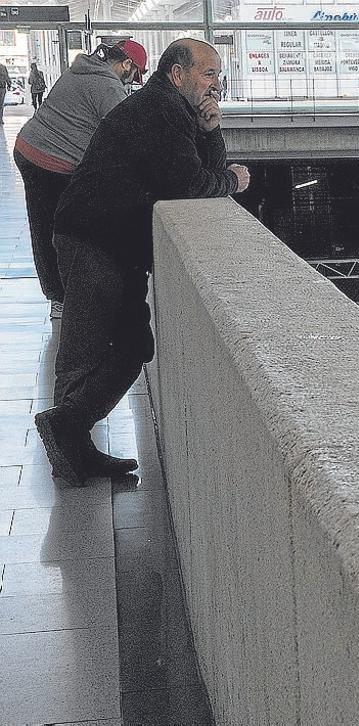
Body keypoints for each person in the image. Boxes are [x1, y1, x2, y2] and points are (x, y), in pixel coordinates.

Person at [34, 39, 250, 485]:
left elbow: (196, 174)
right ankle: (69, 446)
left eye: (218, 75)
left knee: (133, 347)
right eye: (208, 74)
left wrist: (210, 130)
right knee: (84, 352)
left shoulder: (176, 112)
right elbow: (190, 185)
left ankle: (70, 431)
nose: (216, 84)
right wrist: (232, 180)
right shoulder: (159, 111)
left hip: (119, 245)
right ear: (177, 74)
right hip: (93, 239)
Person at [14, 41, 148, 320]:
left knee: (45, 227)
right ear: (126, 64)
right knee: (58, 231)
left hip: (30, 149)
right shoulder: (107, 85)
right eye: (134, 75)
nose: (130, 82)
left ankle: (60, 295)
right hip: (50, 162)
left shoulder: (82, 69)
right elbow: (128, 134)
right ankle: (61, 298)